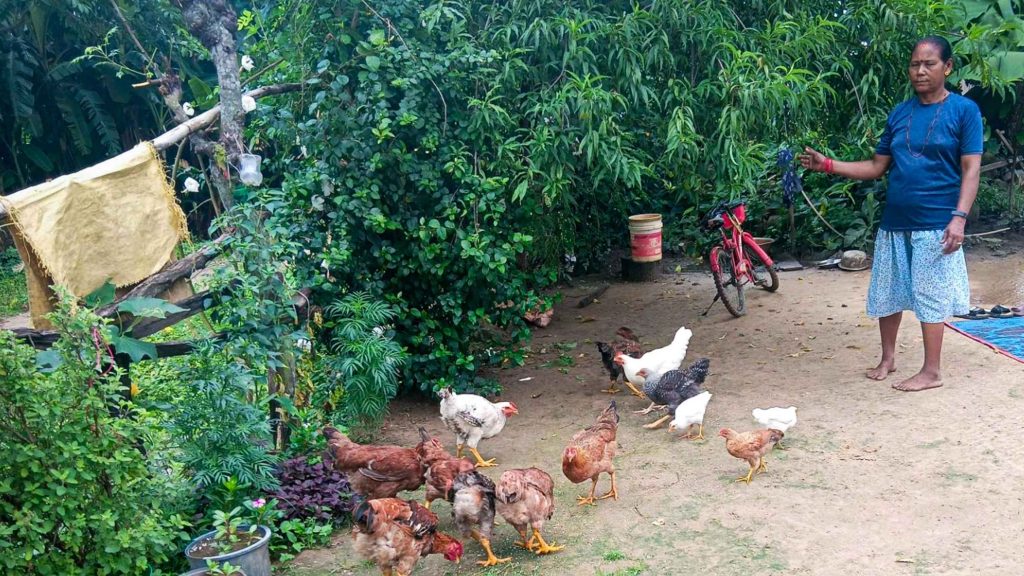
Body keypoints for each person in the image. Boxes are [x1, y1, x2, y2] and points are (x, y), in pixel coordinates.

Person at [800, 35, 983, 392]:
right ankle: (888, 358)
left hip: (937, 222)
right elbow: (876, 166)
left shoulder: (964, 111)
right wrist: (828, 165)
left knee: (931, 297)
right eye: (915, 64)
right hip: (895, 221)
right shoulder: (900, 113)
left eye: (929, 64)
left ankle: (931, 372)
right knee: (889, 291)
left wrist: (959, 217)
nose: (920, 71)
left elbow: (971, 169)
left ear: (947, 67)